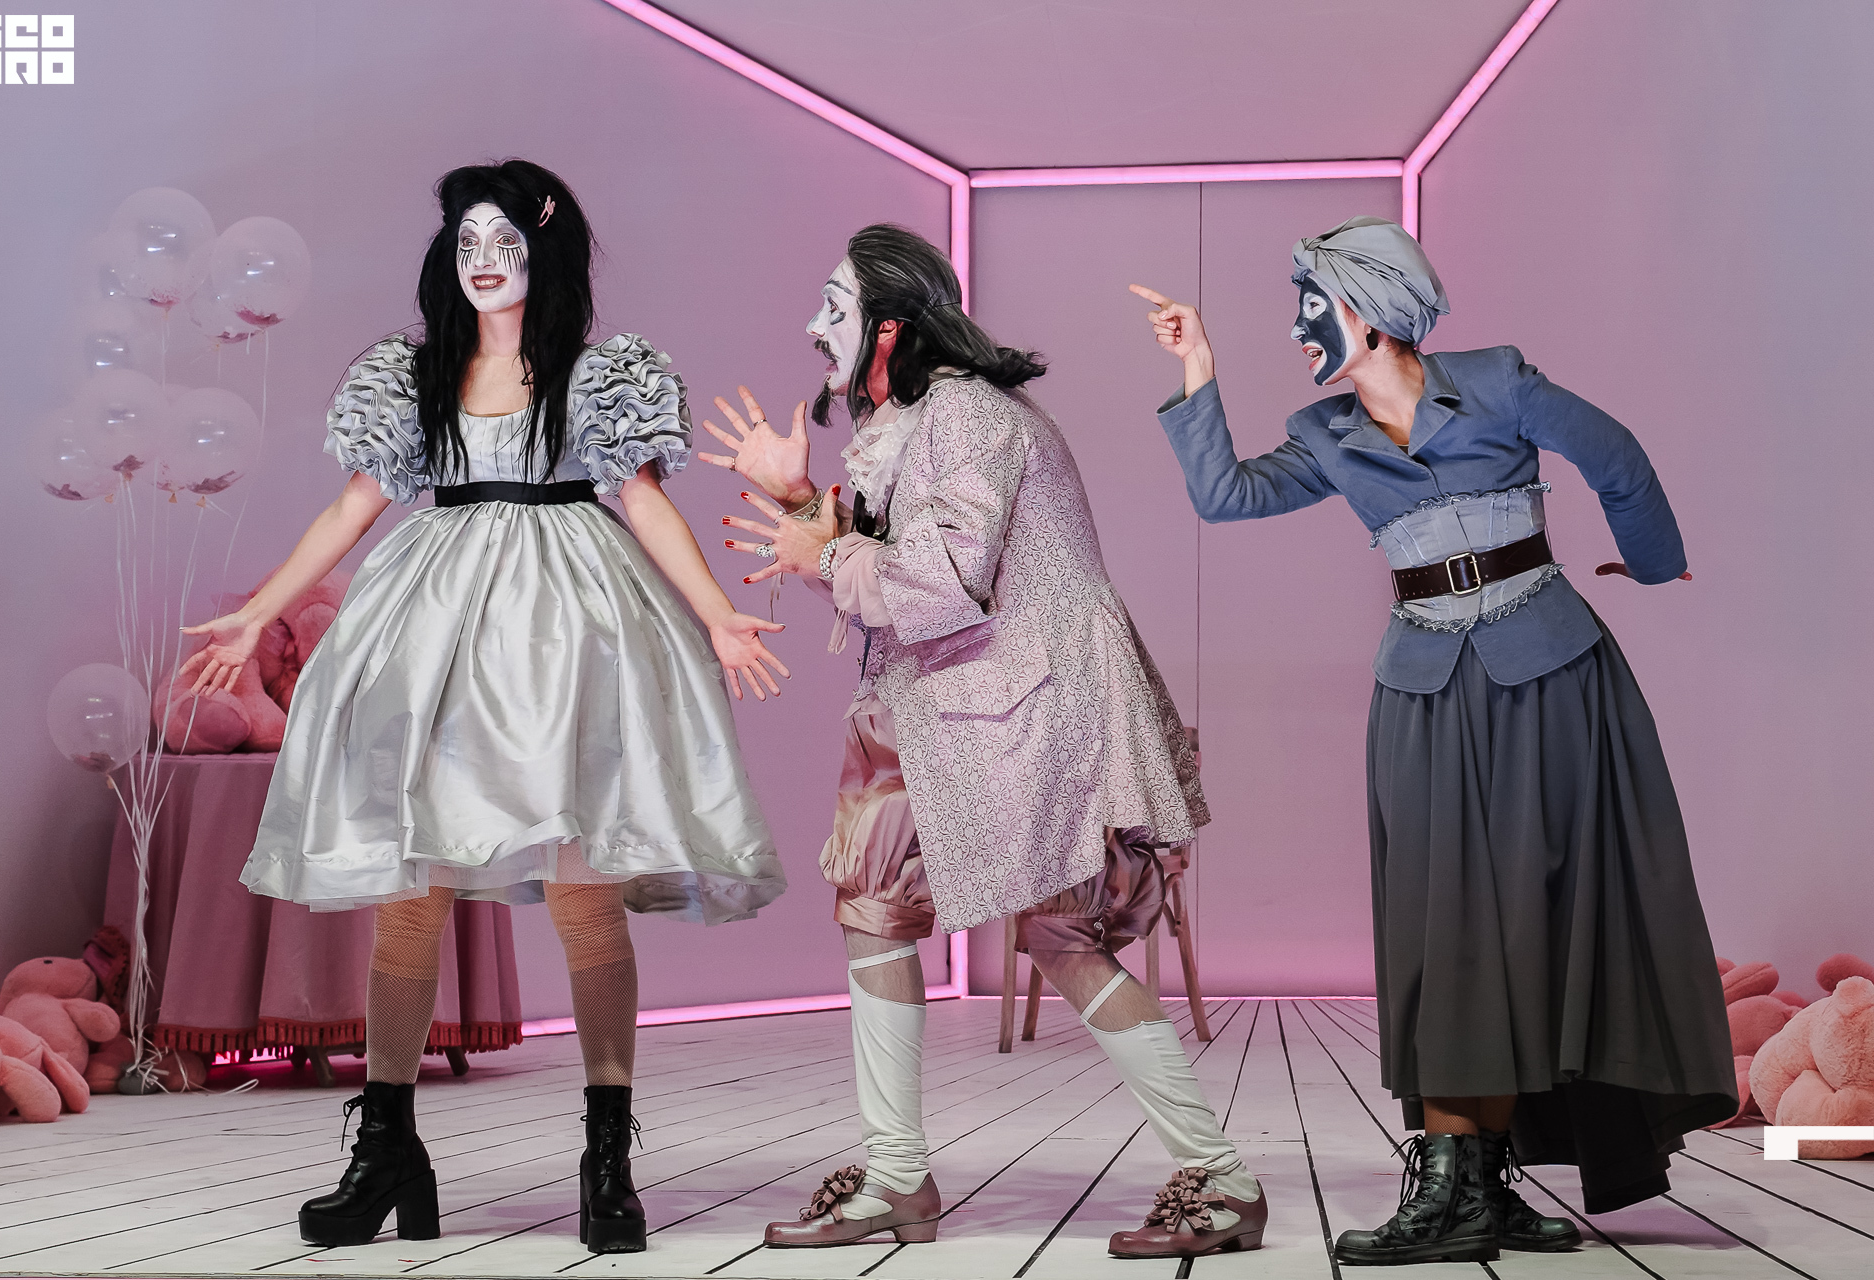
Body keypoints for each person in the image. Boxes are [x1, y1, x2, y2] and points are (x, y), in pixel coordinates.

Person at [179, 160, 788, 1255]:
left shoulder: (595, 376)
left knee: (584, 890)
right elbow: (355, 505)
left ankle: (608, 1154)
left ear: (544, 250)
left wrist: (717, 616)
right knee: (412, 890)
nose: (484, 260)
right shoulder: (416, 374)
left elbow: (642, 499)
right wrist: (259, 612)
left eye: (504, 241)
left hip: (569, 628)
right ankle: (386, 1149)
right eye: (467, 243)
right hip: (438, 626)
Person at [1132, 216, 1734, 1266]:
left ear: (1368, 310)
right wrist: (1198, 369)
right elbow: (1225, 497)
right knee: (1442, 919)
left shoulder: (1498, 381)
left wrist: (1650, 561)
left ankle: (1476, 1185)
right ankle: (1462, 1178)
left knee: (1545, 912)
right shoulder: (1328, 433)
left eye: (1312, 305)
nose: (1298, 328)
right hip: (1424, 691)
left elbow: (1617, 458)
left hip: (1552, 675)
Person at [702, 223, 1266, 1260]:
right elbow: (888, 572)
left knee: (1060, 934)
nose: (812, 325)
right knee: (874, 908)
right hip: (933, 702)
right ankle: (895, 1175)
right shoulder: (910, 418)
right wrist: (802, 504)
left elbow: (940, 581)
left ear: (887, 327)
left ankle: (1223, 1177)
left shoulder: (967, 413)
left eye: (834, 305)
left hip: (1019, 706)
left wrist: (818, 544)